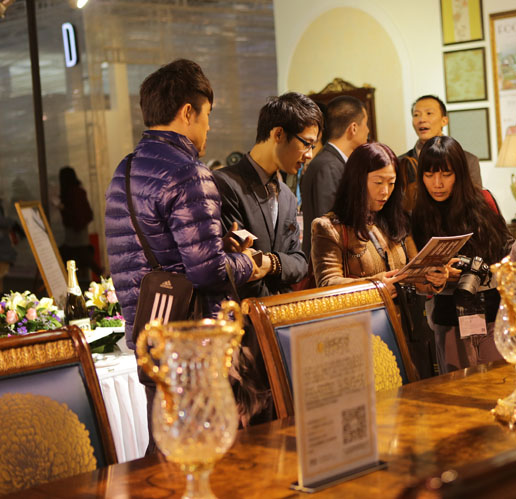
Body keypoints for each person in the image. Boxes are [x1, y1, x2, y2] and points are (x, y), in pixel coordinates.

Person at [104, 59, 259, 445]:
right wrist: (247, 262)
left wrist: (217, 245)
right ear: (188, 112)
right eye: (208, 115)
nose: (209, 126)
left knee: (166, 447)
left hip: (149, 340)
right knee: (206, 451)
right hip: (193, 345)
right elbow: (207, 272)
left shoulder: (124, 171)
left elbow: (148, 253)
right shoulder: (189, 172)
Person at [411, 136, 516, 373]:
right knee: (457, 390)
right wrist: (437, 276)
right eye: (429, 175)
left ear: (459, 173)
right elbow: (418, 272)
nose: (437, 183)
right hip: (449, 319)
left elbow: (505, 250)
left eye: (446, 174)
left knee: (499, 384)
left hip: (493, 313)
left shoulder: (483, 200)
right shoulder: (418, 214)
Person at [311, 142, 448, 377]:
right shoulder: (329, 227)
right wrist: (376, 286)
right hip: (362, 337)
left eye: (391, 183)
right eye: (378, 182)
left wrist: (433, 279)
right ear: (357, 180)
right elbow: (327, 284)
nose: (385, 191)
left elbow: (413, 274)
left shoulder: (397, 221)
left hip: (408, 334)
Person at [213, 92, 321, 299]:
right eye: (306, 144)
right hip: (244, 312)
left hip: (281, 310)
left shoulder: (287, 196)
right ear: (278, 134)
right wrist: (272, 307)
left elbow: (300, 263)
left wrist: (272, 263)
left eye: (313, 146)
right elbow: (242, 268)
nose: (309, 155)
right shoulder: (225, 184)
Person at [300, 95, 369, 258]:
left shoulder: (335, 162)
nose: (367, 130)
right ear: (353, 128)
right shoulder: (328, 166)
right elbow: (329, 227)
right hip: (328, 260)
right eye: (365, 124)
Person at [399, 95, 482, 210]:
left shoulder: (468, 160)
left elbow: (474, 204)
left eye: (429, 113)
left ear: (444, 121)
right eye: (416, 115)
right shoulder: (401, 162)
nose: (422, 119)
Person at [58, 166, 101, 289]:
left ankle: (102, 277)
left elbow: (75, 215)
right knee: (83, 259)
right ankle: (102, 277)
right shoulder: (79, 191)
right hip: (80, 234)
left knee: (74, 259)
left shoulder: (71, 194)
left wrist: (62, 208)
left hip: (75, 235)